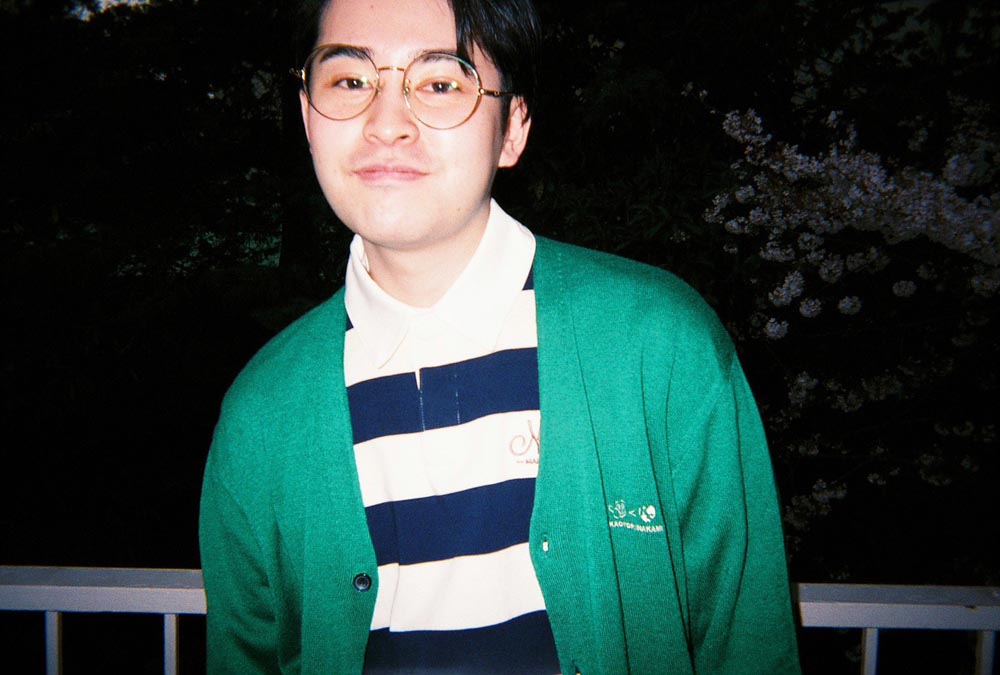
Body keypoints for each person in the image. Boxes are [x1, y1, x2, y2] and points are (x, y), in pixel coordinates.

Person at [198, 0, 801, 672]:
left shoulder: (659, 349)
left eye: (439, 82)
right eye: (349, 81)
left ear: (512, 127)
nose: (386, 123)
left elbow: (751, 645)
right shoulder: (261, 415)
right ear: (309, 116)